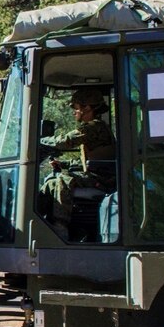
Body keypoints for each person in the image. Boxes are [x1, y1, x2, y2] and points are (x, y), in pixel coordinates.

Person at [38, 88, 116, 238]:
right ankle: (41, 223)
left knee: (63, 180)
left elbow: (64, 142)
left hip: (102, 179)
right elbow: (91, 160)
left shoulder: (93, 127)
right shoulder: (97, 127)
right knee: (51, 183)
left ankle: (60, 228)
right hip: (98, 174)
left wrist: (38, 139)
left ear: (87, 108)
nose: (74, 112)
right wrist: (64, 164)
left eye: (76, 107)